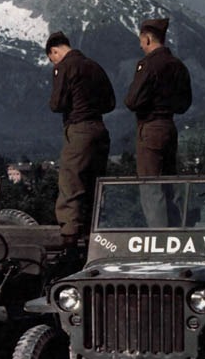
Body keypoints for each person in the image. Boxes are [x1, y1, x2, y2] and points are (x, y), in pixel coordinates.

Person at [46, 31, 115, 250]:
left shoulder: (64, 67)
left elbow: (56, 104)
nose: (54, 62)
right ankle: (93, 229)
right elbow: (110, 103)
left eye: (52, 58)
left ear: (54, 51)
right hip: (100, 128)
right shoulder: (95, 66)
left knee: (71, 181)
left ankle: (70, 235)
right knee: (95, 183)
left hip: (78, 129)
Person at [124, 17, 192, 226]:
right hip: (169, 126)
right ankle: (175, 231)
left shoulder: (148, 64)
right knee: (170, 183)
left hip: (150, 127)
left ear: (147, 39)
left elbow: (133, 100)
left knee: (151, 186)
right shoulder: (178, 66)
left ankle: (157, 236)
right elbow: (184, 103)